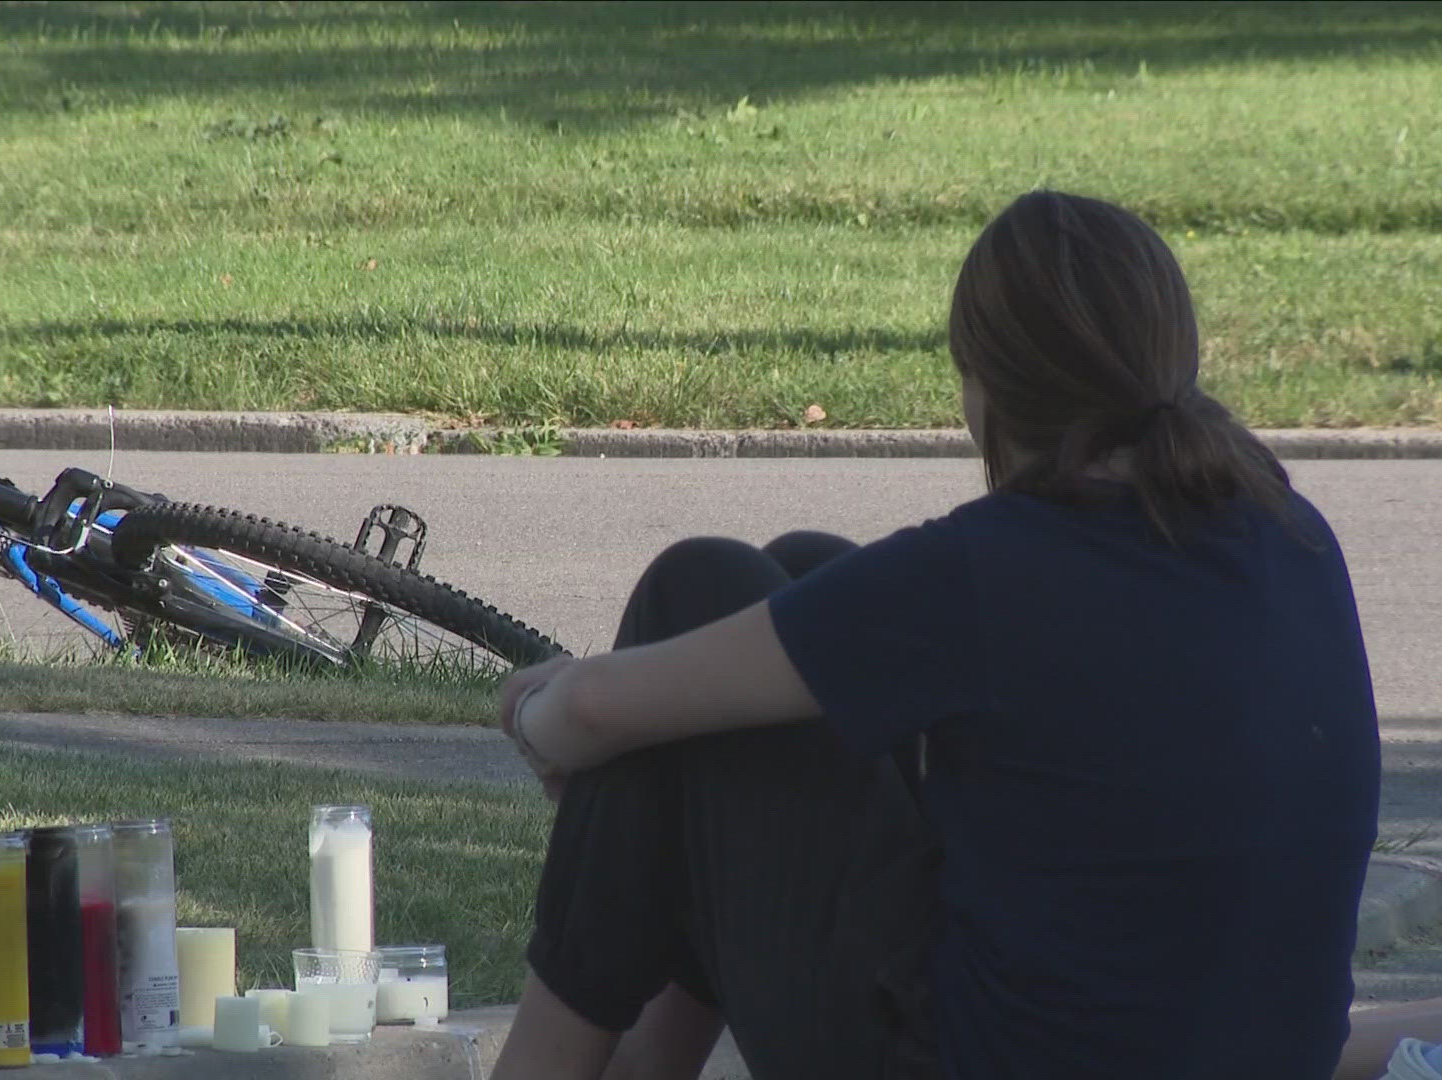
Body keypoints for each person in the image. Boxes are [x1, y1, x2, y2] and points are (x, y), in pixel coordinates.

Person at [488, 190, 1382, 1079]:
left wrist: (536, 716)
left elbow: (600, 708)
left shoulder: (992, 569)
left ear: (986, 382)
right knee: (803, 570)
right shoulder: (1293, 533)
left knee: (700, 590)